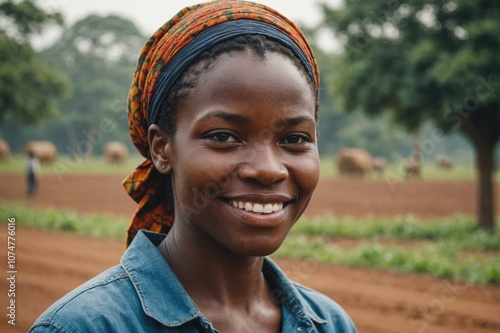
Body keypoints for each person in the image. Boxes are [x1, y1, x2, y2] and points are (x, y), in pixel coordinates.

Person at [29, 1, 357, 332]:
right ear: (162, 149)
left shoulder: (332, 324)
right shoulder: (81, 326)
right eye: (224, 136)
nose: (269, 169)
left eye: (295, 139)